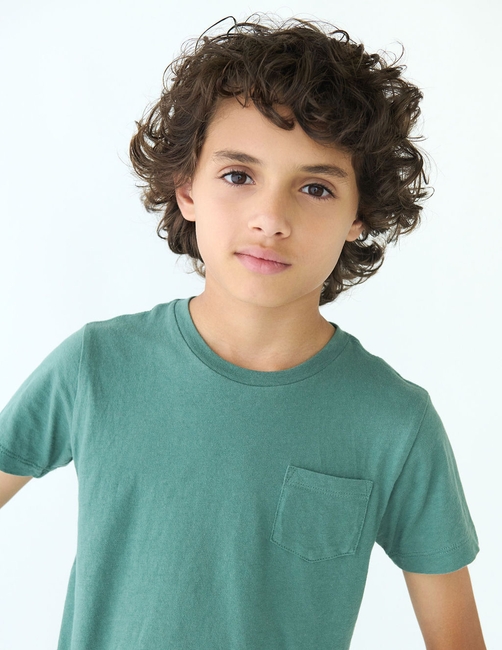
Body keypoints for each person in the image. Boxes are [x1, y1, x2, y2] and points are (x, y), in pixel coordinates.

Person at [0, 14, 486, 650]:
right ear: (187, 188)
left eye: (315, 187)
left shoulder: (395, 422)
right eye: (238, 176)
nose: (270, 218)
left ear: (359, 216)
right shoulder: (96, 367)